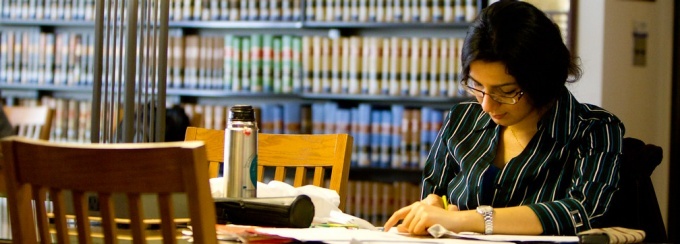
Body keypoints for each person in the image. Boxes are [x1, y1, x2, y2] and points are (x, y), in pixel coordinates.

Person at [383, 0, 625, 236]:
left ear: (543, 80)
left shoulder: (593, 128)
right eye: (477, 86)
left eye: (507, 92)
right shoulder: (462, 121)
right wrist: (435, 205)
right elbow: (436, 199)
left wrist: (467, 220)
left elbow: (582, 212)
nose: (487, 105)